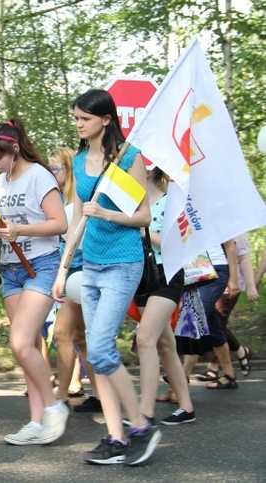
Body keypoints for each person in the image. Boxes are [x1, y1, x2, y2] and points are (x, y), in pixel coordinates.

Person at [53, 89, 159, 466]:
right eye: (76, 118)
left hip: (122, 262)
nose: (78, 124)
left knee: (98, 347)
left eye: (84, 118)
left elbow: (144, 216)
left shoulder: (130, 158)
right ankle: (115, 436)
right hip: (90, 264)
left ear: (105, 119)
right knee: (98, 356)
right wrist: (64, 268)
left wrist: (109, 215)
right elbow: (78, 219)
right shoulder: (80, 162)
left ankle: (142, 426)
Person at [0, 118, 69, 446]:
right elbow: (2, 222)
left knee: (19, 343)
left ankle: (53, 406)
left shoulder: (39, 176)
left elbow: (59, 223)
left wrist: (20, 230)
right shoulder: (1, 182)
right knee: (29, 347)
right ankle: (36, 422)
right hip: (11, 269)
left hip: (42, 266)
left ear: (14, 149)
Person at [132, 167, 196, 426]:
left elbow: (179, 244)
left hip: (167, 275)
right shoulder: (129, 202)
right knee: (165, 344)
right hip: (140, 276)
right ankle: (187, 408)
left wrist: (139, 228)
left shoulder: (172, 201)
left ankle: (144, 413)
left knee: (145, 338)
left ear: (149, 169)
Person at [47, 148, 100, 413]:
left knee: (63, 333)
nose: (52, 172)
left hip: (80, 270)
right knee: (80, 336)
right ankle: (100, 396)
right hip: (71, 273)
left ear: (69, 170)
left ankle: (62, 396)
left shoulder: (76, 203)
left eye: (55, 168)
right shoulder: (61, 202)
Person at [180, 240, 241, 389]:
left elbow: (229, 245)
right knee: (212, 324)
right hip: (194, 268)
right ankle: (229, 375)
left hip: (215, 268)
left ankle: (180, 382)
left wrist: (233, 278)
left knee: (193, 321)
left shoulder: (214, 215)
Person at [197, 233, 256, 377]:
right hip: (207, 279)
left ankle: (218, 363)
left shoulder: (236, 230)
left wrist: (250, 286)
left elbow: (244, 258)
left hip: (229, 285)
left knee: (217, 322)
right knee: (214, 323)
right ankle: (223, 362)